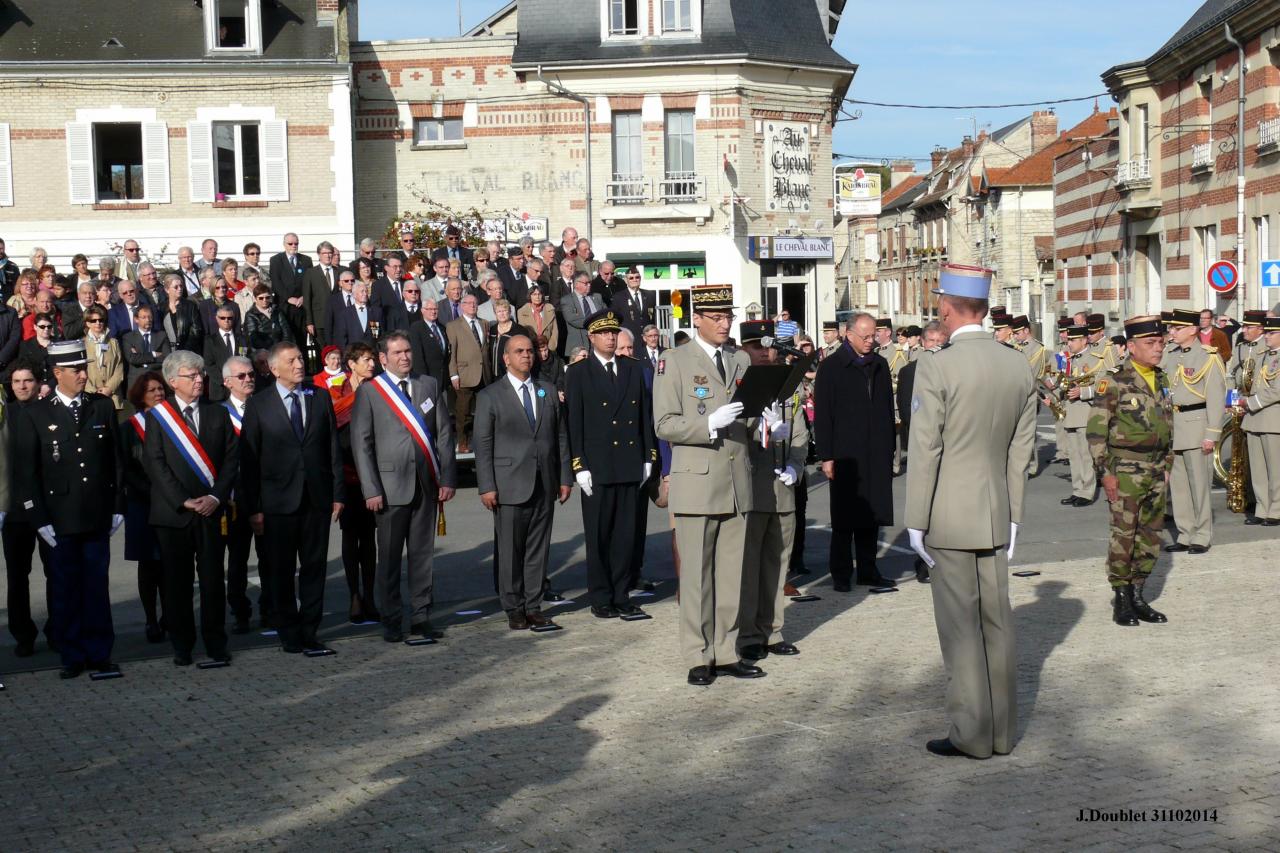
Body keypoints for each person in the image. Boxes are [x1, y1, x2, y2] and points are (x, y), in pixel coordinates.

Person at [904, 264, 1037, 759]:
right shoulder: (1017, 363)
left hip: (949, 513)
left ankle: (971, 734)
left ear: (946, 306)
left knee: (961, 629)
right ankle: (1002, 733)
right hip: (997, 510)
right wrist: (1015, 513)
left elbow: (926, 449)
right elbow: (1021, 453)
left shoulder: (936, 365)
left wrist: (915, 520)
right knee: (997, 624)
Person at [653, 284, 763, 686]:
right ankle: (698, 653)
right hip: (697, 480)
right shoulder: (674, 360)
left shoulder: (740, 359)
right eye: (716, 317)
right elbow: (663, 423)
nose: (724, 323)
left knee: (732, 573)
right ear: (696, 318)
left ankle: (726, 649)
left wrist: (760, 421)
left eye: (728, 316)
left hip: (736, 479)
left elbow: (746, 416)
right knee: (697, 575)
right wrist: (707, 424)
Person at [10, 341, 126, 679]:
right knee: (65, 588)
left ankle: (100, 652)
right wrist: (38, 517)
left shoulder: (101, 407)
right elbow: (26, 472)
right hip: (58, 517)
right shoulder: (36, 413)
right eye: (75, 369)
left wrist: (118, 504)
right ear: (57, 373)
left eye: (83, 367)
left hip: (96, 513)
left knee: (96, 587)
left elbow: (115, 462)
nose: (82, 374)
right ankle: (72, 653)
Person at [351, 332, 457, 642]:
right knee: (390, 558)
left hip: (426, 484)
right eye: (397, 353)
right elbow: (362, 444)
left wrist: (448, 477)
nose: (404, 357)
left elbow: (444, 436)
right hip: (388, 487)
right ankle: (392, 618)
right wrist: (370, 488)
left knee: (422, 556)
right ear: (383, 358)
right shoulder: (371, 391)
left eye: (408, 350)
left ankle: (422, 615)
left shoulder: (428, 385)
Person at [239, 342, 343, 655]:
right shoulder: (259, 404)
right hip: (277, 503)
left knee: (314, 567)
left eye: (300, 358)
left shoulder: (319, 396)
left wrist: (338, 494)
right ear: (274, 369)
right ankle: (289, 632)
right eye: (292, 360)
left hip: (316, 498)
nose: (300, 364)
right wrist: (254, 507)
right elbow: (250, 460)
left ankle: (310, 630)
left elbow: (332, 448)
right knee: (281, 571)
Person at [143, 351, 238, 667]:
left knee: (212, 581)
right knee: (176, 584)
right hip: (175, 514)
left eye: (201, 375)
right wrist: (183, 500)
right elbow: (155, 464)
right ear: (173, 381)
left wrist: (215, 497)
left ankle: (215, 642)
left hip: (211, 511)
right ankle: (182, 645)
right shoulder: (159, 417)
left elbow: (230, 461)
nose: (199, 380)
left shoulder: (218, 414)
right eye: (191, 375)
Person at [474, 334, 573, 630]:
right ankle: (513, 606)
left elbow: (561, 437)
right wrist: (486, 485)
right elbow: (483, 444)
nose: (526, 356)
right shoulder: (490, 395)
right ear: (506, 358)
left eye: (530, 351)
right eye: (519, 351)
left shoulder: (546, 390)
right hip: (508, 484)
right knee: (510, 550)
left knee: (537, 549)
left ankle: (533, 604)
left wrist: (564, 477)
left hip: (544, 481)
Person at [565, 310, 656, 619]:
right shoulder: (578, 372)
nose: (611, 337)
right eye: (604, 333)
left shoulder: (633, 368)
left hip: (629, 462)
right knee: (600, 534)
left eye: (614, 333)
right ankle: (601, 595)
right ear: (591, 337)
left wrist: (648, 456)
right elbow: (574, 422)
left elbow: (644, 415)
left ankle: (622, 593)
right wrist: (579, 465)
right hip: (598, 465)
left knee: (625, 535)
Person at [1088, 316, 1175, 627]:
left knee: (1150, 534)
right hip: (1125, 468)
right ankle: (1122, 599)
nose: (1158, 348)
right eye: (1151, 344)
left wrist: (1167, 464)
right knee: (1124, 535)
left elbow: (1168, 425)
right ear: (1132, 347)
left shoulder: (1162, 379)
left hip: (1155, 467)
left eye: (1161, 342)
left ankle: (1139, 595)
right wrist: (1106, 474)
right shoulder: (1113, 380)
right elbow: (1097, 433)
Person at [735, 320, 807, 661]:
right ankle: (748, 633)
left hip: (781, 488)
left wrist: (795, 463)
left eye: (768, 347)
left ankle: (772, 630)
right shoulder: (738, 385)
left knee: (778, 564)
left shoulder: (788, 386)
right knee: (749, 569)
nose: (765, 353)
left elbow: (799, 432)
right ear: (743, 349)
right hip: (750, 487)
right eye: (755, 347)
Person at [814, 312, 896, 590]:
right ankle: (840, 574)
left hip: (876, 451)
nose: (871, 341)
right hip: (845, 454)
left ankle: (868, 570)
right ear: (848, 335)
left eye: (874, 335)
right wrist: (827, 455)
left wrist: (890, 449)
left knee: (872, 515)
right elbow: (823, 416)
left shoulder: (881, 365)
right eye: (865, 336)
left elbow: (886, 410)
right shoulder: (832, 367)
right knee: (844, 518)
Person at [1160, 308, 1226, 554]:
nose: (1172, 332)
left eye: (1177, 328)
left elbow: (1216, 398)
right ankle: (1185, 532)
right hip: (1174, 425)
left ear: (1192, 330)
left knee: (1199, 484)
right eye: (1172, 328)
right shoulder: (1169, 354)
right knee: (1178, 486)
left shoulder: (1208, 357)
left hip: (1196, 424)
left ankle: (1202, 534)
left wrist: (1212, 433)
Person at [2, 362, 53, 657]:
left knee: (54, 572)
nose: (22, 386)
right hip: (14, 511)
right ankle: (23, 634)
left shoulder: (49, 412)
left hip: (46, 508)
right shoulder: (3, 414)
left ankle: (56, 630)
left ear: (37, 383)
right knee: (17, 576)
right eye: (17, 381)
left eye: (28, 380)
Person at [330, 342, 381, 624]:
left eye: (372, 359)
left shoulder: (378, 389)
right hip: (347, 473)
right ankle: (354, 596)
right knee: (350, 537)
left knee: (369, 540)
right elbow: (333, 427)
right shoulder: (337, 391)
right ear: (351, 364)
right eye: (365, 360)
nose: (371, 364)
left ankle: (371, 596)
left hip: (371, 474)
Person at [218, 356, 266, 633]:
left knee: (269, 556)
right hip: (234, 500)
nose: (248, 379)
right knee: (237, 560)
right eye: (241, 376)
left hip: (263, 496)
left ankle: (269, 606)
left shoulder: (264, 407)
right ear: (227, 382)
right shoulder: (218, 414)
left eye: (251, 375)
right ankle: (240, 610)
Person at [121, 372, 168, 643]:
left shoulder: (175, 424)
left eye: (161, 388)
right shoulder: (129, 428)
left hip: (172, 502)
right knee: (149, 565)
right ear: (140, 395)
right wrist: (151, 492)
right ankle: (151, 618)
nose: (158, 393)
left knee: (170, 564)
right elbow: (126, 468)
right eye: (152, 390)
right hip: (142, 504)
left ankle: (170, 616)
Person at [1237, 316, 1280, 526]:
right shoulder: (1262, 355)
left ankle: (1276, 510)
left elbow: (1276, 391)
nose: (1268, 337)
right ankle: (1262, 508)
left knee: (1276, 469)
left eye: (1272, 333)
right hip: (1254, 418)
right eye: (1268, 333)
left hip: (1273, 419)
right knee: (1258, 469)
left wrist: (1249, 402)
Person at [1058, 323, 1102, 506]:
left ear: (1084, 340)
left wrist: (1083, 393)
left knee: (1085, 454)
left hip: (1085, 412)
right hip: (1069, 411)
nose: (1069, 343)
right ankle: (1077, 489)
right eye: (1068, 340)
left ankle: (1087, 491)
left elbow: (1103, 385)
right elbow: (1060, 380)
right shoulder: (1067, 359)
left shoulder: (1095, 359)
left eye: (1073, 340)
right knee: (1074, 455)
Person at [445, 293, 491, 453]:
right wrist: (453, 374)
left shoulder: (484, 324)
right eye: (468, 303)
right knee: (463, 413)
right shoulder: (453, 326)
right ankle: (462, 442)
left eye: (475, 303)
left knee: (483, 412)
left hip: (483, 374)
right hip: (464, 374)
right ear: (462, 306)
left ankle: (481, 441)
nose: (472, 305)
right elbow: (452, 352)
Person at [268, 234, 312, 345]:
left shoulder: (306, 260)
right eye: (290, 243)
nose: (293, 246)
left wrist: (304, 297)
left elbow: (309, 281)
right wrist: (288, 298)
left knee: (301, 342)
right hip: (284, 307)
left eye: (296, 243)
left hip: (301, 307)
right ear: (284, 244)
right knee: (286, 341)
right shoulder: (276, 260)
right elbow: (276, 282)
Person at [121, 305, 172, 390]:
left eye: (150, 317)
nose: (148, 320)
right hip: (136, 381)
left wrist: (141, 357)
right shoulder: (128, 337)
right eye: (144, 317)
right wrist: (154, 354)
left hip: (157, 379)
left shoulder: (161, 335)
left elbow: (167, 358)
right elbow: (132, 358)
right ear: (136, 319)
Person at [82, 305, 124, 410]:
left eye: (100, 320)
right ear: (87, 323)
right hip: (90, 395)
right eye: (93, 320)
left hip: (112, 396)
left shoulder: (113, 342)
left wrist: (109, 388)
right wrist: (93, 390)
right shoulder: (81, 344)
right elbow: (80, 370)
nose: (98, 323)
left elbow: (119, 368)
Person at [204, 305, 247, 403]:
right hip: (219, 390)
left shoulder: (242, 339)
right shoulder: (210, 340)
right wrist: (225, 381)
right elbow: (209, 364)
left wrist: (237, 380)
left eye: (229, 318)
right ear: (217, 319)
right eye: (223, 318)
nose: (226, 320)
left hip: (239, 388)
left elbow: (244, 359)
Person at [302, 241, 341, 350]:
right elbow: (307, 299)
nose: (328, 255)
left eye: (330, 253)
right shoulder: (311, 273)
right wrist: (309, 322)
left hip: (337, 320)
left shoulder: (339, 272)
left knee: (336, 350)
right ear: (319, 254)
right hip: (319, 321)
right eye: (324, 253)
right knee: (323, 351)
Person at [408, 297, 451, 390]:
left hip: (443, 380)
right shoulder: (417, 328)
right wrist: (423, 380)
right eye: (430, 309)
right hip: (427, 380)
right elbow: (417, 358)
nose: (433, 312)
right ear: (422, 311)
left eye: (435, 309)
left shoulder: (442, 328)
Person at [331, 280, 384, 352]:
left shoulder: (376, 312)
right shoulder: (345, 314)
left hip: (372, 354)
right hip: (353, 355)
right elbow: (341, 338)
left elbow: (379, 335)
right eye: (362, 291)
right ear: (354, 294)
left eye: (366, 291)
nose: (365, 294)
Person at [160, 273, 204, 354]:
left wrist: (184, 349)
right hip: (168, 352)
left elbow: (196, 330)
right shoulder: (161, 308)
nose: (179, 289)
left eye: (181, 286)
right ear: (167, 289)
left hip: (189, 351)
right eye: (176, 287)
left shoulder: (190, 306)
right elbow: (160, 332)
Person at [242, 285, 294, 351]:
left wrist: (283, 347)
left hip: (280, 349)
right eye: (261, 298)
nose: (265, 300)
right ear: (255, 299)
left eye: (267, 297)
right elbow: (253, 338)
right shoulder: (251, 315)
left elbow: (286, 331)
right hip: (262, 352)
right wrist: (270, 349)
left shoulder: (276, 310)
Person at [486, 299, 529, 379]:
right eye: (499, 311)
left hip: (512, 373)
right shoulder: (492, 330)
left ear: (509, 312)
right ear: (495, 313)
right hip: (493, 376)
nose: (502, 314)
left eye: (504, 310)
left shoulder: (519, 330)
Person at [561, 272, 601, 355]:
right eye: (586, 283)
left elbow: (604, 313)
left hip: (598, 342)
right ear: (576, 285)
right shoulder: (567, 300)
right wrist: (595, 325)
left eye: (590, 282)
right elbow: (573, 319)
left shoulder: (597, 297)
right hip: (579, 344)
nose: (589, 285)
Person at [610, 268, 656, 340]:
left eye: (637, 277)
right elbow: (615, 320)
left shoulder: (650, 295)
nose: (635, 280)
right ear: (626, 280)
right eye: (631, 278)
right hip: (629, 339)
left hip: (647, 339)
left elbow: (652, 318)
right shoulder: (618, 297)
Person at [516, 284, 557, 353]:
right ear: (530, 296)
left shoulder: (550, 309)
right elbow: (522, 333)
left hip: (547, 348)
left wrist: (550, 348)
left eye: (539, 294)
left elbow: (555, 331)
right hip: (531, 349)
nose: (537, 297)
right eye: (534, 294)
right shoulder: (522, 312)